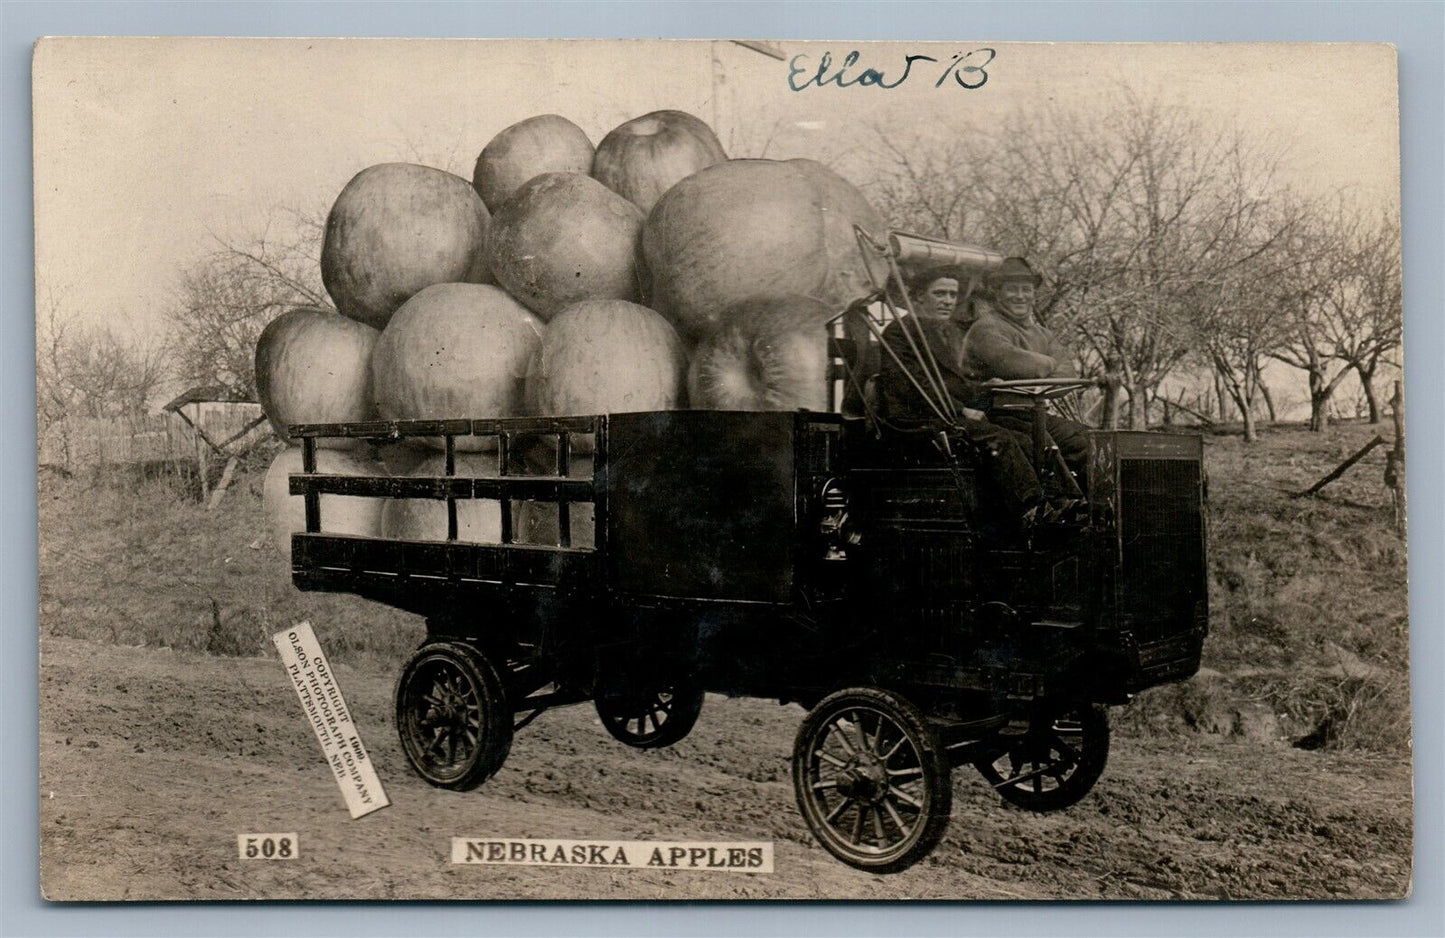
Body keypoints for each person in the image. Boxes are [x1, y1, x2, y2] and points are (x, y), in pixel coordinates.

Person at [873, 265, 1053, 525]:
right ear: (919, 297)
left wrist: (984, 389)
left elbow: (954, 384)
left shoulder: (946, 334)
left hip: (944, 415)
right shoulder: (900, 332)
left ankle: (1058, 504)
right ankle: (1033, 512)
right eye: (940, 293)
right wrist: (960, 410)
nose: (948, 301)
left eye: (952, 294)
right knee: (998, 438)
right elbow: (911, 386)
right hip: (914, 420)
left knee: (1025, 436)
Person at [963, 257, 1091, 475]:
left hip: (1033, 413)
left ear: (1034, 293)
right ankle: (1057, 504)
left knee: (1091, 441)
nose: (1020, 296)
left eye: (1026, 289)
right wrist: (1051, 363)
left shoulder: (1041, 333)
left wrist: (1044, 367)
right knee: (1046, 449)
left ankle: (1098, 503)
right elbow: (1013, 362)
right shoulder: (986, 328)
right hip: (996, 416)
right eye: (1012, 289)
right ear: (997, 292)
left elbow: (1068, 375)